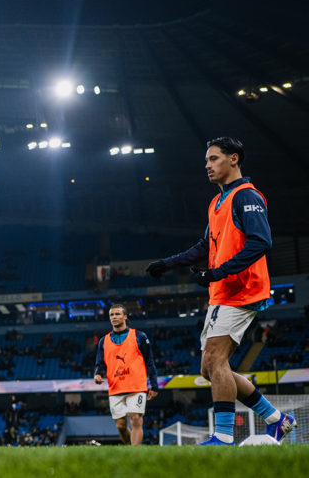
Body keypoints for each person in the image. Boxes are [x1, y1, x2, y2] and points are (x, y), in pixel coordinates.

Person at [146, 137, 297, 445]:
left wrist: (219, 272)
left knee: (215, 361)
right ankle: (276, 419)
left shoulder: (247, 196)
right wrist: (167, 263)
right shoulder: (217, 202)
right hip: (222, 293)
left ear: (234, 159)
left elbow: (261, 242)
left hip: (242, 291)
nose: (207, 165)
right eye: (206, 160)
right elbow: (206, 245)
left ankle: (224, 437)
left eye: (214, 158)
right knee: (210, 367)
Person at [93, 303, 158, 445]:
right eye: (111, 315)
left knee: (135, 420)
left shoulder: (139, 336)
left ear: (125, 316)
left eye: (117, 314)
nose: (114, 317)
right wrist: (98, 375)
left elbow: (149, 362)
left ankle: (135, 454)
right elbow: (101, 365)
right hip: (115, 388)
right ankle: (131, 452)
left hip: (137, 387)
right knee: (121, 426)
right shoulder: (104, 341)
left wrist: (154, 385)